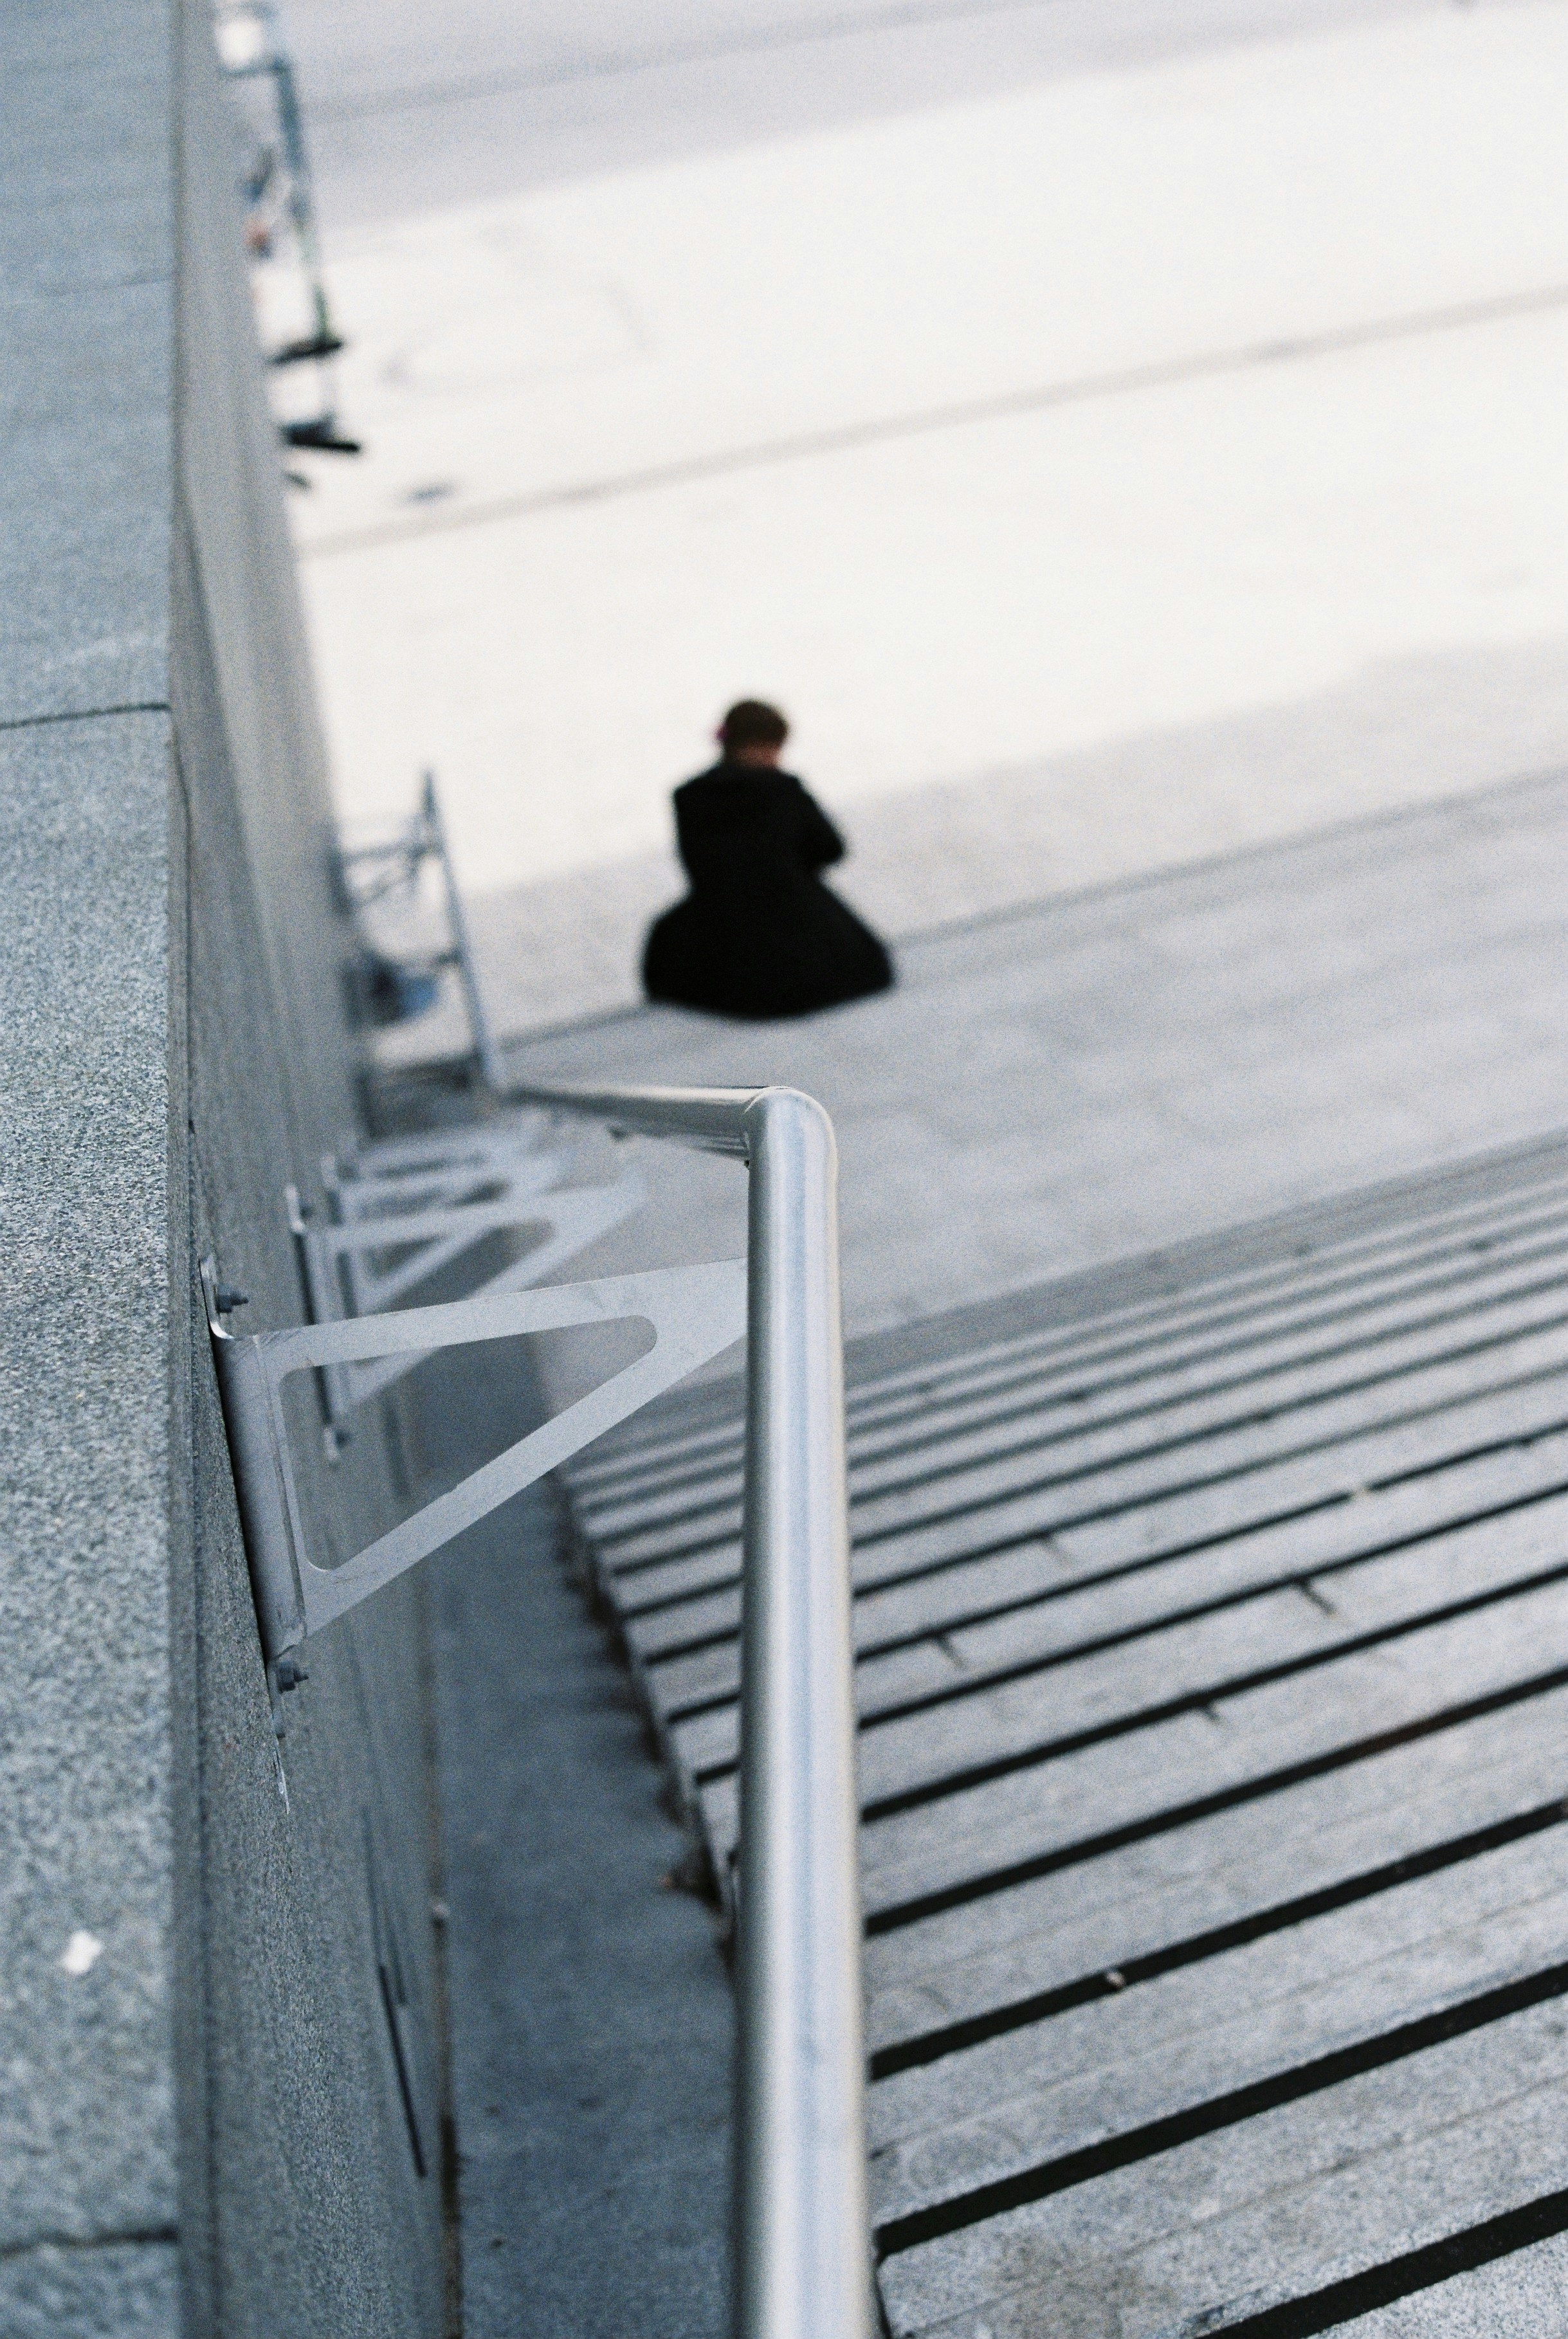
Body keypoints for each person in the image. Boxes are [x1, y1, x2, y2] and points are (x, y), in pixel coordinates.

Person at [641, 700, 895, 1019]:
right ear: (767, 745)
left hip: (722, 916)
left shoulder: (690, 796)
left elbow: (696, 864)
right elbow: (830, 848)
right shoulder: (782, 788)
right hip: (797, 917)